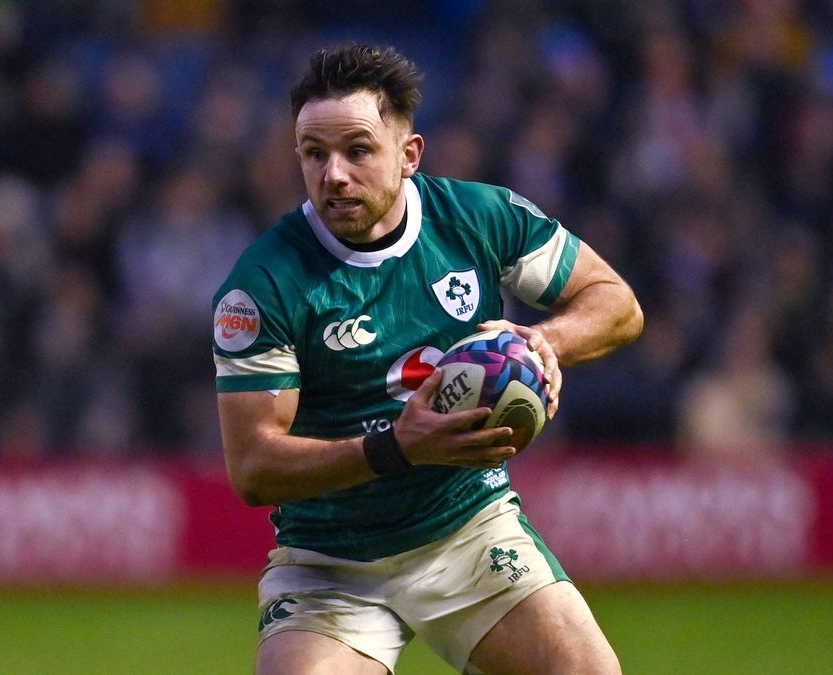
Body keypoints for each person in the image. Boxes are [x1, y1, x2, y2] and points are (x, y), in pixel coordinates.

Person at [213, 42, 643, 675]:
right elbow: (253, 467)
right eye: (314, 153)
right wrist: (398, 446)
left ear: (409, 155)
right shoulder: (263, 284)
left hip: (470, 529)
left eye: (358, 150)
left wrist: (546, 341)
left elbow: (617, 304)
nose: (334, 173)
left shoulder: (477, 218)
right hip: (331, 560)